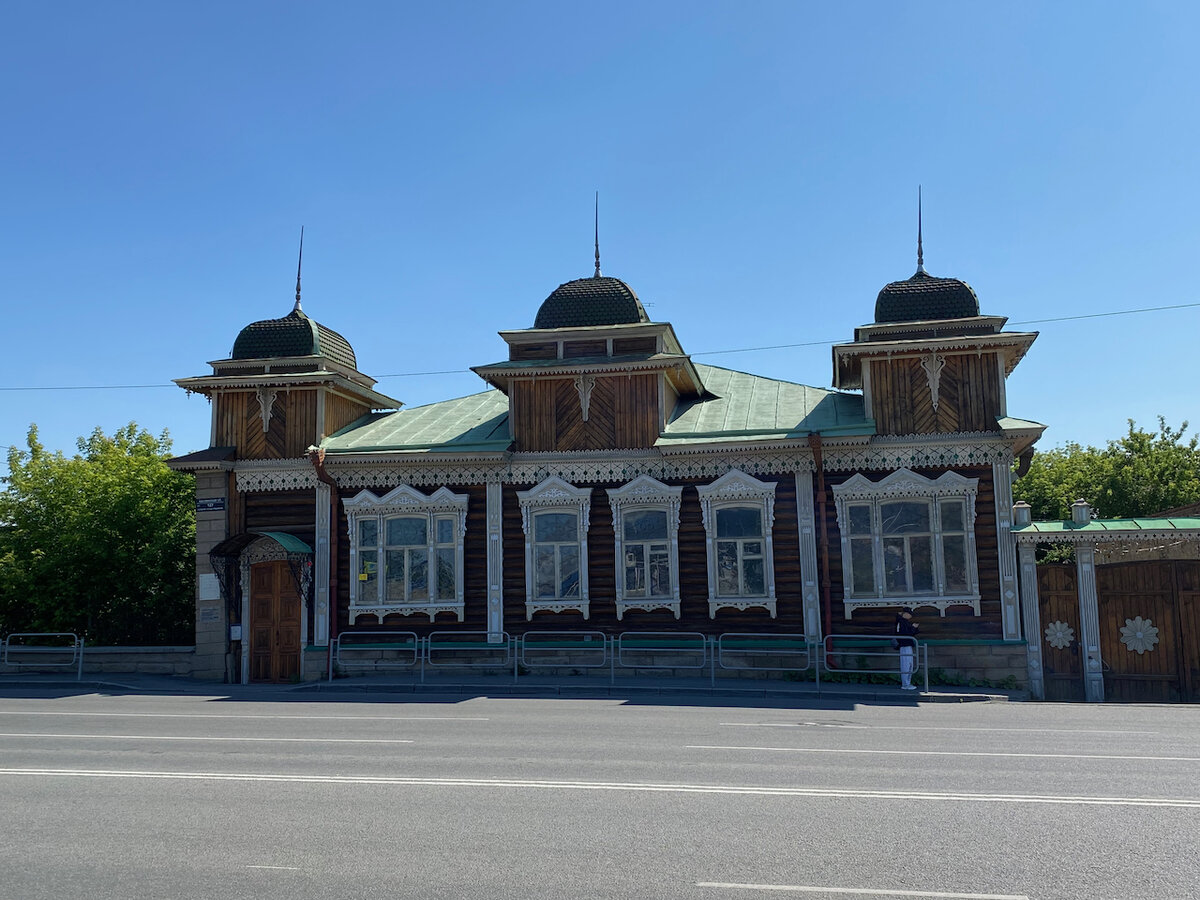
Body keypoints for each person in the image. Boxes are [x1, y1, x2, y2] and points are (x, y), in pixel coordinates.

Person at [894, 607, 919, 690]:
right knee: (906, 665)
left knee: (909, 665)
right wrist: (913, 627)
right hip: (904, 645)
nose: (910, 617)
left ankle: (907, 683)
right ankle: (905, 684)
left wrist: (914, 628)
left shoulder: (903, 622)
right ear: (905, 614)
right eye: (909, 615)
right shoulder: (901, 622)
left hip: (906, 644)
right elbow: (905, 634)